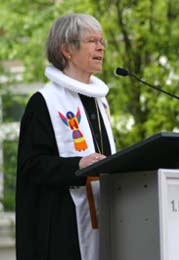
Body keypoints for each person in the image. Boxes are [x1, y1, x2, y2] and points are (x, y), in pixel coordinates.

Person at [16, 13, 116, 260]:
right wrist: (77, 165)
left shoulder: (99, 101)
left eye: (102, 41)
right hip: (63, 223)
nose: (101, 47)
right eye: (92, 40)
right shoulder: (44, 102)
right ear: (67, 50)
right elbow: (31, 166)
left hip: (106, 216)